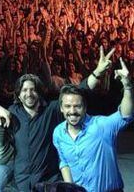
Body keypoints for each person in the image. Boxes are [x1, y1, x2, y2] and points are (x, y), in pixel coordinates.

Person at [8, 46, 114, 192]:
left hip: (47, 181)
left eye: (32, 89)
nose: (29, 93)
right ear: (19, 95)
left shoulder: (51, 110)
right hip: (21, 181)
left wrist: (97, 72)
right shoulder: (12, 112)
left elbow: (79, 91)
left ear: (39, 92)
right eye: (24, 90)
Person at [53, 58, 134, 192]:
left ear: (85, 107)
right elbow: (64, 162)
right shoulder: (58, 132)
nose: (72, 111)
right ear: (61, 108)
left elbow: (125, 115)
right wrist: (70, 188)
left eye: (77, 106)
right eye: (67, 106)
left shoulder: (101, 126)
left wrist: (127, 86)